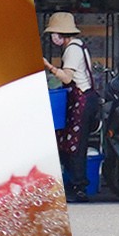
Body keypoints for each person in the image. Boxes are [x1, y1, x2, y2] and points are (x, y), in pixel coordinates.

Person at [43, 12, 100, 203]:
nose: (53, 38)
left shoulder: (72, 50)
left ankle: (80, 187)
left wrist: (49, 67)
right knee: (68, 143)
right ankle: (73, 184)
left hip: (82, 101)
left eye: (54, 34)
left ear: (61, 34)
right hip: (81, 100)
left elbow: (67, 77)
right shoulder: (75, 47)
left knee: (76, 145)